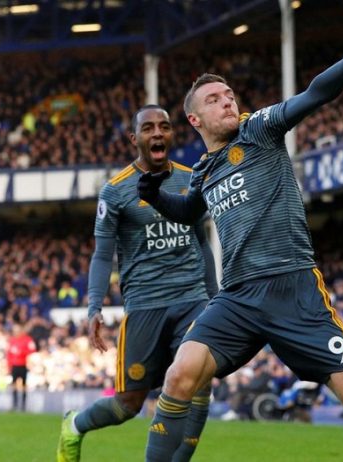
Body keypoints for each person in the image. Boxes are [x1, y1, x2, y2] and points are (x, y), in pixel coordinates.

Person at [138, 4, 343, 461]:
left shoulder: (259, 130)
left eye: (229, 94)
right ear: (195, 120)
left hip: (293, 288)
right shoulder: (203, 170)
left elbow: (315, 94)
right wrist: (155, 196)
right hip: (238, 297)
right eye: (214, 99)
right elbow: (188, 213)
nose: (228, 101)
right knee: (179, 375)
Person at [56, 105, 218, 462]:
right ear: (135, 138)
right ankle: (75, 425)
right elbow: (103, 255)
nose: (157, 133)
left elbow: (202, 243)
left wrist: (215, 297)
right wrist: (94, 306)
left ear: (171, 134)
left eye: (164, 126)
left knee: (198, 384)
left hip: (192, 299)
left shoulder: (192, 179)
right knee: (128, 404)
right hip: (145, 306)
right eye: (148, 128)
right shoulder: (116, 191)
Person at [6, 323, 36, 411]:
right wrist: (9, 367)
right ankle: (14, 404)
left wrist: (21, 352)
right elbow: (9, 355)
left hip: (24, 365)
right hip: (14, 366)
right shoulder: (12, 341)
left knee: (24, 385)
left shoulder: (27, 340)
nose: (16, 332)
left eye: (18, 330)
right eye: (15, 331)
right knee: (14, 385)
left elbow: (32, 351)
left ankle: (23, 405)